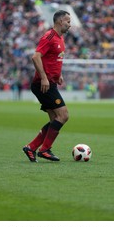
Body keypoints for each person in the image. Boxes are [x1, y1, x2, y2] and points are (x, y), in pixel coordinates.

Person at [22, 10, 71, 162]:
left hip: (51, 83)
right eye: (68, 21)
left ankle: (31, 147)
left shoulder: (60, 38)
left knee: (54, 120)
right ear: (59, 21)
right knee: (63, 115)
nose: (70, 25)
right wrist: (44, 78)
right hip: (44, 84)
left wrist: (58, 75)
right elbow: (35, 56)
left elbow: (54, 59)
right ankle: (44, 150)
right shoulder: (49, 36)